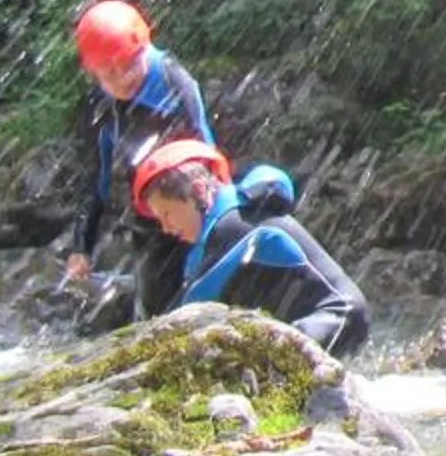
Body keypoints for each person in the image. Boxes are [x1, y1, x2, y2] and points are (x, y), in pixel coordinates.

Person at [127, 137, 371, 359]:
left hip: (337, 317)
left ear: (199, 191)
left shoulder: (234, 224)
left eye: (168, 214)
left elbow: (190, 306)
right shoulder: (225, 225)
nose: (166, 228)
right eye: (160, 220)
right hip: (328, 321)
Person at [64, 0, 215, 295]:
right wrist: (82, 246)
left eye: (130, 65)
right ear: (95, 74)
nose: (123, 80)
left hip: (194, 204)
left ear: (146, 46)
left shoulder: (175, 83)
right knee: (153, 306)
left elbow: (207, 158)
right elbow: (97, 178)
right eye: (110, 74)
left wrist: (211, 228)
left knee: (203, 290)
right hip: (150, 214)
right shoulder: (100, 105)